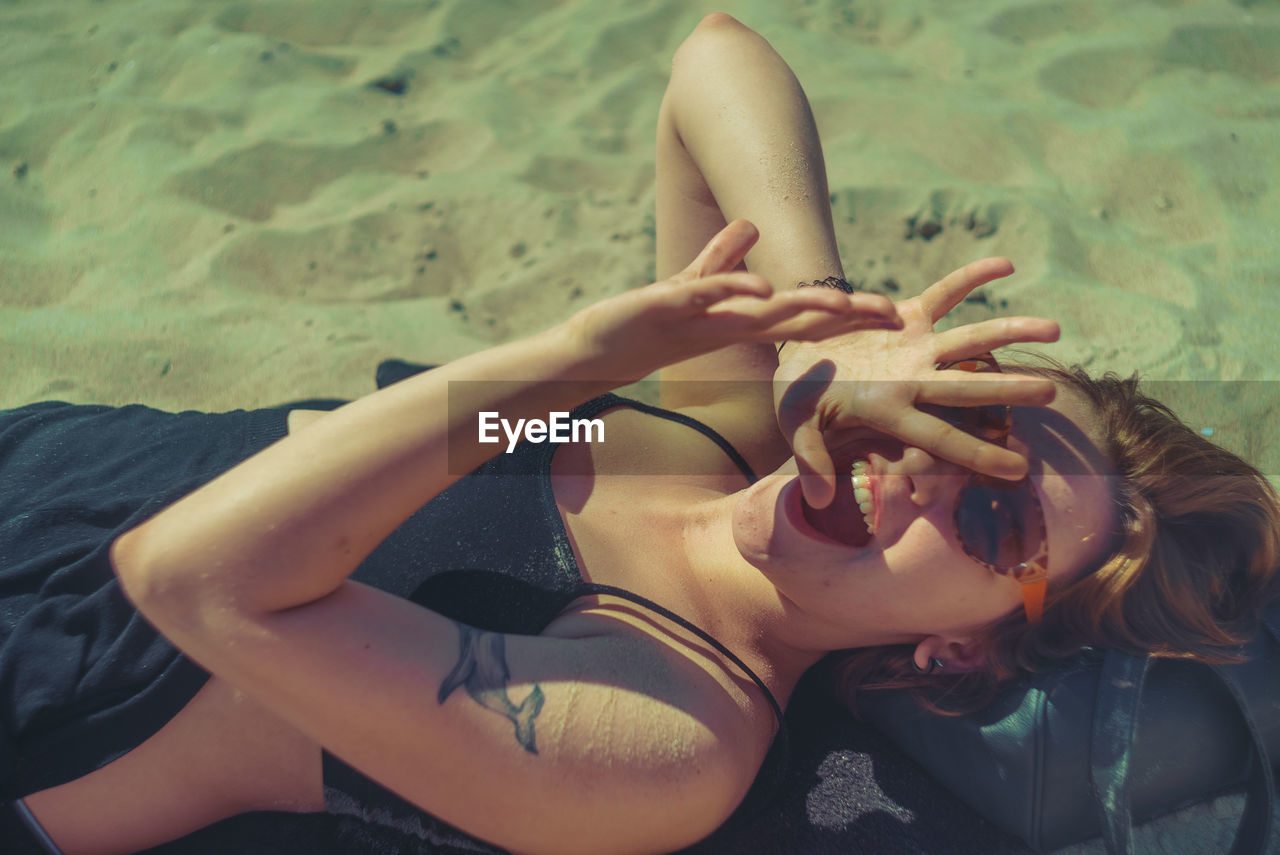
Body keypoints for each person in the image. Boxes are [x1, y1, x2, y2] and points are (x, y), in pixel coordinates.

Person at [3, 13, 1276, 855]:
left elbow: (194, 583)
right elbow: (713, 61)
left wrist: (583, 358)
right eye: (957, 408)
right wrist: (811, 326)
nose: (920, 471)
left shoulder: (677, 733)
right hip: (41, 459)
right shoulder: (717, 432)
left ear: (956, 655)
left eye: (993, 513)